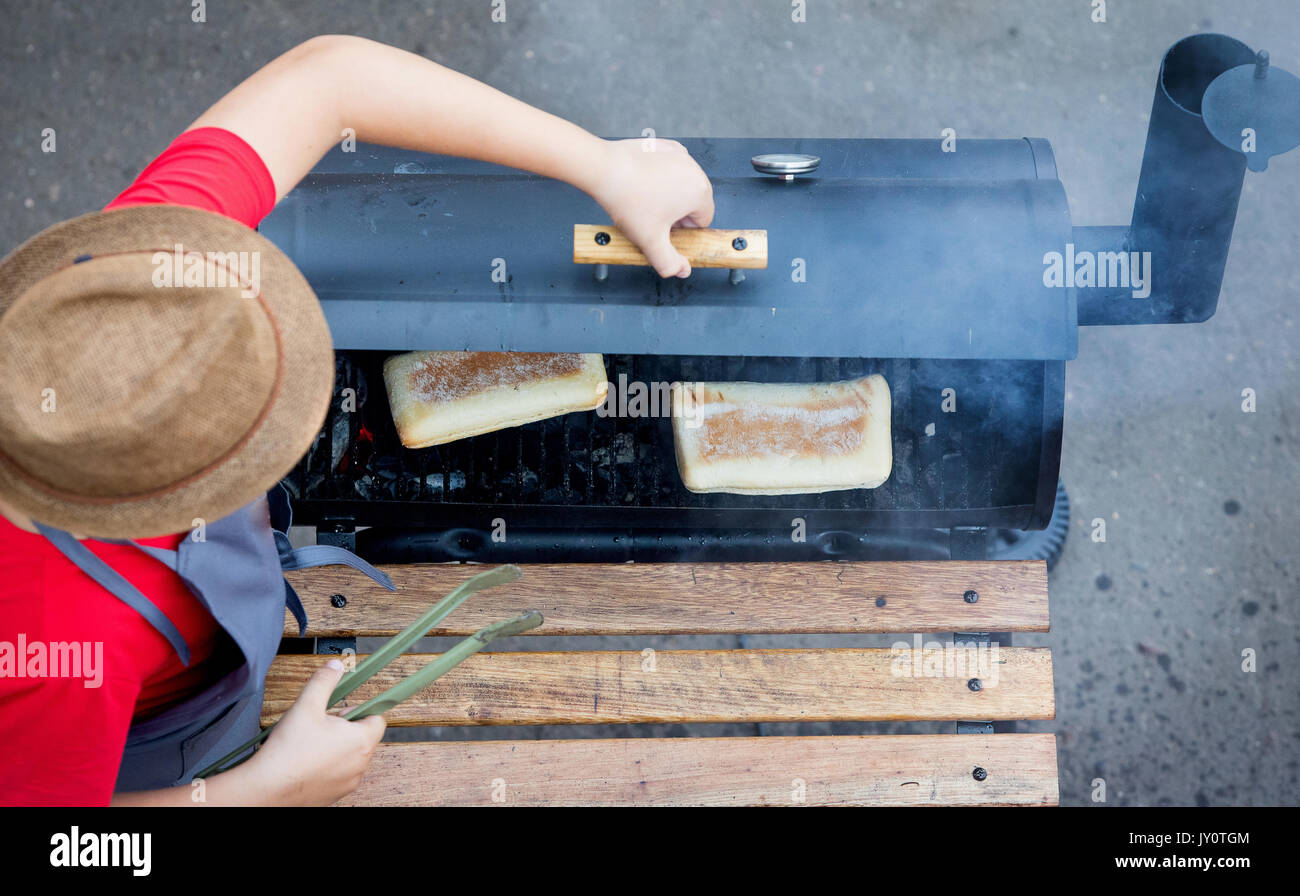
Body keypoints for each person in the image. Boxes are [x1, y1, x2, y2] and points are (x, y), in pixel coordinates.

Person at [0, 34, 715, 807]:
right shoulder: (57, 651)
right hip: (157, 745)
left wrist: (606, 166)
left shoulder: (113, 298)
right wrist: (266, 789)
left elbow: (333, 77)